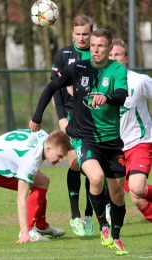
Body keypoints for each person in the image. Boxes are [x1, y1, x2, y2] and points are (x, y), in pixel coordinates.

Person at [29, 29, 129, 255]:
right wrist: (37, 116)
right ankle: (102, 225)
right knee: (95, 177)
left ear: (109, 48)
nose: (95, 49)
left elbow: (122, 95)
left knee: (118, 194)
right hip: (84, 137)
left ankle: (116, 236)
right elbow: (52, 86)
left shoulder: (116, 70)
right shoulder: (78, 67)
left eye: (101, 46)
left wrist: (108, 98)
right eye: (93, 45)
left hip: (111, 141)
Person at [0, 129, 72, 243]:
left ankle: (41, 226)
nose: (61, 160)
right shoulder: (31, 159)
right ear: (48, 148)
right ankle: (28, 231)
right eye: (59, 156)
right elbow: (21, 198)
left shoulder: (45, 138)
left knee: (42, 182)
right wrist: (24, 233)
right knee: (41, 182)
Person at [52, 14, 95, 237]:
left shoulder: (98, 54)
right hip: (71, 118)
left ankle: (89, 213)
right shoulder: (63, 55)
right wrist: (61, 117)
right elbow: (55, 89)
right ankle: (75, 216)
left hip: (94, 118)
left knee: (93, 167)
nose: (81, 38)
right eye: (77, 34)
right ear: (72, 34)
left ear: (91, 33)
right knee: (76, 161)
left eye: (85, 34)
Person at [109, 39, 152, 224]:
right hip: (116, 148)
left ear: (126, 59)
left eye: (117, 55)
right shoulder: (100, 84)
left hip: (140, 142)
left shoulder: (139, 81)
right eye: (109, 55)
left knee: (138, 188)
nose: (113, 58)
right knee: (137, 198)